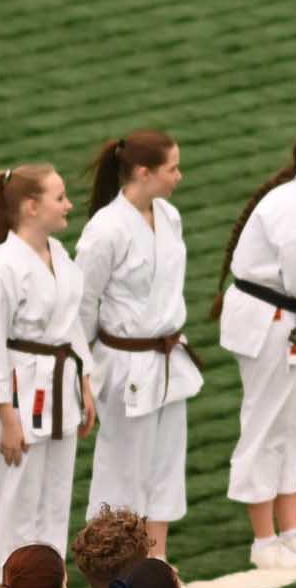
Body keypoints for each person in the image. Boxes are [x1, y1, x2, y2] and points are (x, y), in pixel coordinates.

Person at [216, 129, 296, 569]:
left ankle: (290, 528)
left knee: (290, 424)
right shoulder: (294, 204)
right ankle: (263, 539)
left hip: (291, 320)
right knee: (264, 422)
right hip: (268, 319)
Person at [0, 165, 95, 581]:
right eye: (60, 197)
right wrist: (5, 416)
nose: (68, 205)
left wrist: (85, 385)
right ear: (31, 206)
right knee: (19, 505)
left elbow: (70, 326)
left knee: (56, 500)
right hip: (21, 396)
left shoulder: (58, 254)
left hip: (61, 391)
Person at [75, 134, 202, 551]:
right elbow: (83, 304)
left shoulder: (169, 215)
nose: (179, 177)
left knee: (166, 464)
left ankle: (158, 558)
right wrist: (83, 372)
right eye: (172, 169)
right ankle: (113, 565)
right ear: (144, 173)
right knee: (122, 469)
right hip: (124, 362)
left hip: (168, 356)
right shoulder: (105, 230)